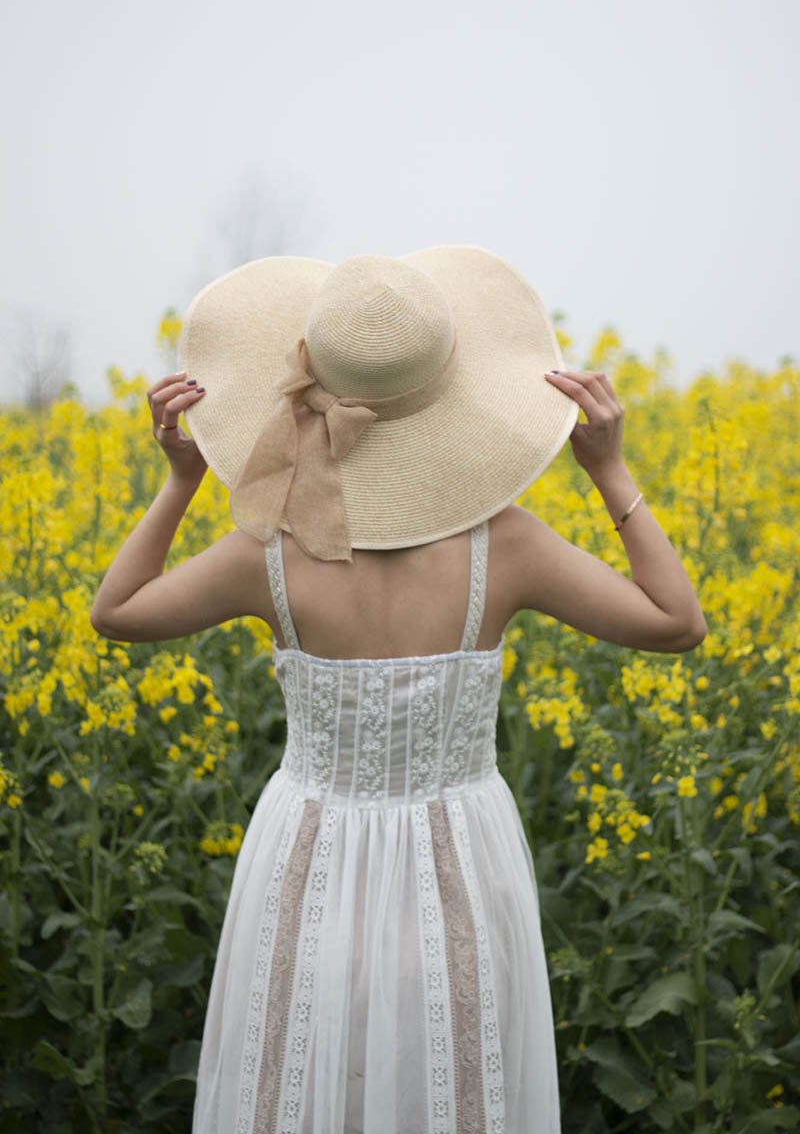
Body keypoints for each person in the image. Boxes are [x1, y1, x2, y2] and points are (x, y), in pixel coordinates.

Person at [90, 246, 707, 1134]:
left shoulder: (268, 552)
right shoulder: (510, 545)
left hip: (305, 854)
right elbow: (676, 623)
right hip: (459, 851)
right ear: (449, 395)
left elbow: (117, 611)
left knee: (306, 1082)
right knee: (449, 1084)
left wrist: (184, 479)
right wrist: (608, 468)